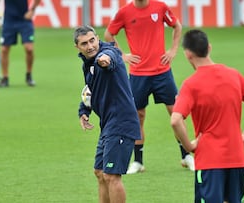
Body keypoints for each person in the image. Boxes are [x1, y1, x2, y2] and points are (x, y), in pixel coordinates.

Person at [171, 29, 244, 202]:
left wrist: (189, 146)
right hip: (237, 158)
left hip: (209, 161)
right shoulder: (233, 75)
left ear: (187, 54)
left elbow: (176, 120)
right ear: (209, 47)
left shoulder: (191, 85)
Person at [104, 0, 194, 174]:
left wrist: (173, 50)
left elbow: (177, 26)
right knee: (138, 116)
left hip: (162, 72)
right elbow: (109, 34)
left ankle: (186, 156)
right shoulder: (124, 13)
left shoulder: (160, 7)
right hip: (138, 74)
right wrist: (122, 55)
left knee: (176, 112)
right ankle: (138, 162)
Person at [74, 25, 141, 203]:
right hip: (109, 124)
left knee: (112, 175)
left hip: (122, 122)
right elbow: (90, 90)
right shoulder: (87, 65)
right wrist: (84, 110)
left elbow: (110, 57)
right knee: (100, 172)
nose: (90, 46)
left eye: (92, 40)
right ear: (77, 47)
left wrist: (105, 60)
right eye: (84, 44)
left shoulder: (110, 53)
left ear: (97, 38)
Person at [0, 0, 41, 87]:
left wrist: (32, 10)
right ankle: (5, 77)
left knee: (29, 49)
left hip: (24, 20)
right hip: (9, 20)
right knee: (4, 49)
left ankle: (29, 75)